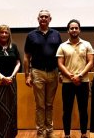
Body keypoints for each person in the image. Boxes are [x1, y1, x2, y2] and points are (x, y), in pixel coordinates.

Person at [24, 10, 62, 138]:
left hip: (53, 72)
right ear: (38, 19)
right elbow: (26, 57)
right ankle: (40, 131)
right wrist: (27, 75)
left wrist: (61, 73)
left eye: (46, 17)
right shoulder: (31, 35)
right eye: (41, 17)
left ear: (50, 19)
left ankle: (49, 131)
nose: (44, 18)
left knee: (49, 104)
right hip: (37, 72)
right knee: (40, 105)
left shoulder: (56, 34)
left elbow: (61, 56)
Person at [56, 19, 94, 138]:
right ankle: (67, 134)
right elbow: (60, 64)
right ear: (68, 31)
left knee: (83, 110)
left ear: (79, 30)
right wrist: (72, 76)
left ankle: (83, 133)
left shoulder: (87, 44)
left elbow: (91, 62)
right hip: (68, 82)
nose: (74, 30)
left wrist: (80, 75)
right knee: (67, 110)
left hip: (83, 82)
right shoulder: (62, 46)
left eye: (76, 28)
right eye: (71, 28)